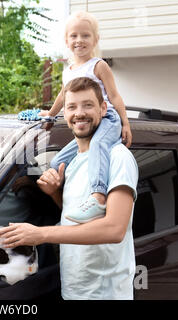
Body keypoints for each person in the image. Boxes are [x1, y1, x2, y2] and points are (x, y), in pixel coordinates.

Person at [0, 77, 139, 300]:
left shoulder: (117, 157)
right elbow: (78, 216)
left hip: (105, 294)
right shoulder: (71, 163)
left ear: (103, 108)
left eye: (87, 105)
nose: (79, 113)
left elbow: (114, 229)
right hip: (74, 290)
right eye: (71, 106)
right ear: (65, 113)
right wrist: (54, 192)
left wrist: (40, 234)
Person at [39, 11, 132, 223]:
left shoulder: (99, 65)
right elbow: (63, 95)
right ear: (66, 40)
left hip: (107, 119)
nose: (79, 40)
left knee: (98, 144)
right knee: (56, 162)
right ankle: (69, 199)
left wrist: (125, 123)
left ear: (95, 40)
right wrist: (51, 115)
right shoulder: (68, 70)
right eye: (74, 36)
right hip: (88, 125)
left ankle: (98, 197)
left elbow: (115, 95)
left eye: (85, 35)